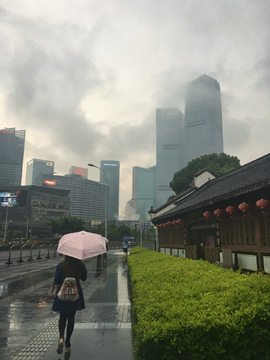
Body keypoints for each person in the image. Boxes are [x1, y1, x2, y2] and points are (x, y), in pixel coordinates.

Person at [52, 255, 87, 356]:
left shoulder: (61, 266)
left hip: (63, 293)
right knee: (71, 317)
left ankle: (61, 337)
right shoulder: (79, 265)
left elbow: (57, 280)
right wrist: (82, 267)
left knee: (62, 317)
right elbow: (84, 278)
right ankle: (67, 343)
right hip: (75, 294)